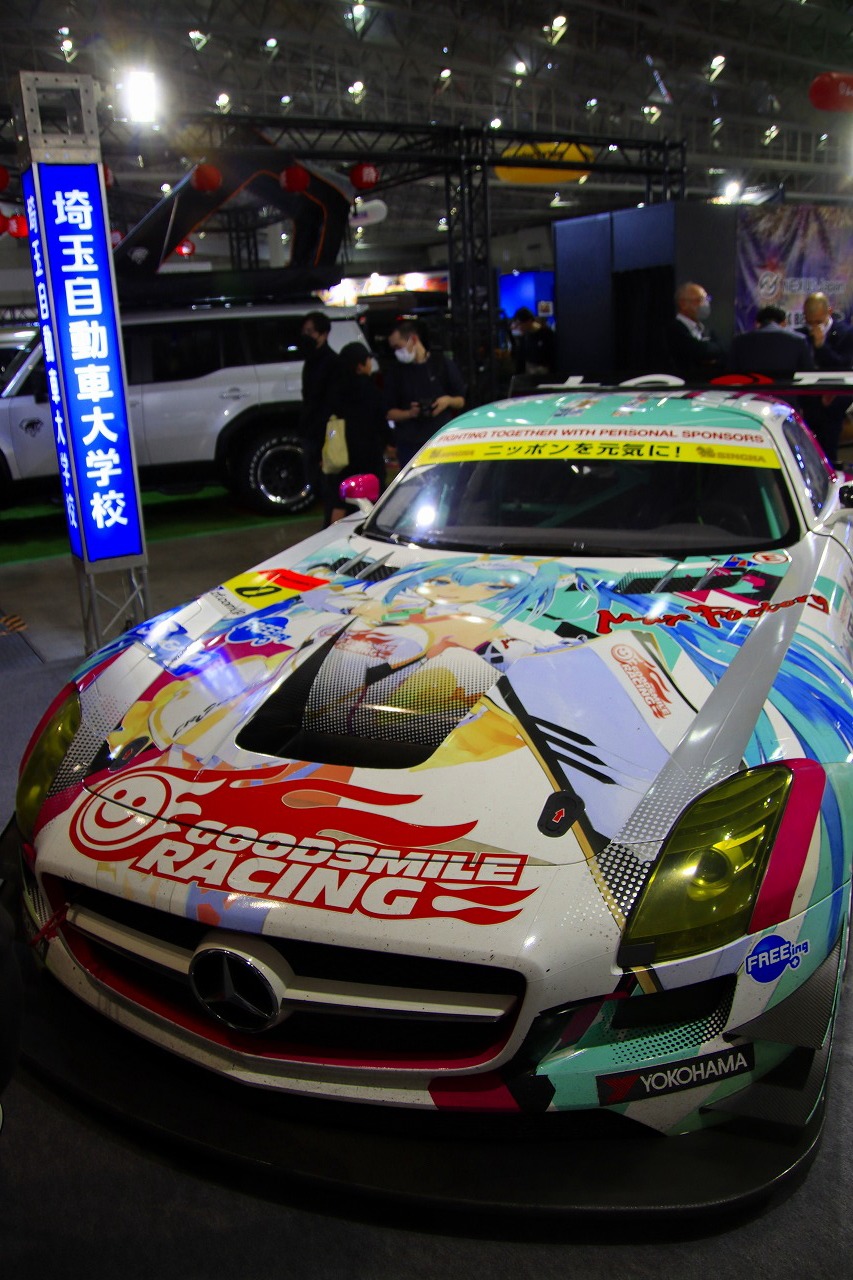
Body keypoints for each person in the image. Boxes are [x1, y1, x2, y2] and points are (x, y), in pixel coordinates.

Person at [322, 342, 390, 525]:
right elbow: (380, 421)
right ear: (359, 365)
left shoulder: (335, 389)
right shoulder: (370, 389)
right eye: (368, 360)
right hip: (369, 452)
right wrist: (390, 442)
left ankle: (332, 534)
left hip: (344, 453)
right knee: (374, 495)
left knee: (341, 499)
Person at [384, 320, 466, 468]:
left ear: (413, 339)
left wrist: (447, 401)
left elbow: (461, 400)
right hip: (410, 445)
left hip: (441, 441)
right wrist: (410, 413)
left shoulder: (441, 363)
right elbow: (389, 412)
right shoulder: (395, 372)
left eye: (398, 346)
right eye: (394, 348)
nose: (397, 352)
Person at [795, 291, 853, 461]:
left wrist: (821, 346)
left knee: (828, 447)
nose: (814, 327)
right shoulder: (799, 335)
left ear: (829, 312)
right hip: (808, 401)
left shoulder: (846, 333)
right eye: (810, 322)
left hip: (833, 402)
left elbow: (843, 365)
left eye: (818, 322)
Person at [299, 310, 339, 486]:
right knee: (313, 479)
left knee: (326, 482)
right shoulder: (310, 361)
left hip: (324, 432)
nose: (306, 336)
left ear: (324, 334)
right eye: (304, 332)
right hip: (310, 430)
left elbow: (331, 402)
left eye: (310, 332)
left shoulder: (332, 362)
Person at [729, 305, 815, 376]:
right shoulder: (799, 340)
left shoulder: (739, 341)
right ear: (784, 323)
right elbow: (808, 373)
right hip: (787, 391)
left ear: (757, 324)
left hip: (750, 391)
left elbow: (731, 374)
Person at [666, 282, 726, 381]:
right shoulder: (674, 329)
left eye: (707, 299)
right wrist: (707, 355)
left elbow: (722, 349)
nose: (705, 304)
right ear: (683, 304)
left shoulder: (706, 329)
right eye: (700, 300)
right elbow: (698, 351)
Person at [511, 306, 557, 376]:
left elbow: (552, 357)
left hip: (545, 375)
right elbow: (520, 360)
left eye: (520, 323)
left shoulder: (547, 334)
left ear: (529, 321)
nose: (519, 327)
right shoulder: (524, 338)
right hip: (528, 376)